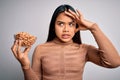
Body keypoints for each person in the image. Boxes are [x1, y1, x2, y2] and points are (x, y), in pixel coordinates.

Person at [11, 4, 120, 80]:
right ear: (53, 26)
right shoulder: (40, 49)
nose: (66, 29)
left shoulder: (84, 49)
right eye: (61, 24)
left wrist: (93, 28)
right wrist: (25, 66)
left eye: (71, 24)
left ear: (76, 26)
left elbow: (114, 62)